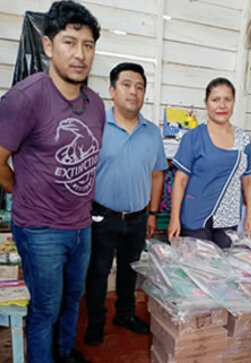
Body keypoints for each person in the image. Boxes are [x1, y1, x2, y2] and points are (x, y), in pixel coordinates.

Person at [0, 2, 103, 362]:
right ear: (48, 46)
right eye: (69, 42)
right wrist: (22, 190)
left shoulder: (96, 104)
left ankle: (65, 351)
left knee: (73, 298)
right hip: (40, 229)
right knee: (45, 309)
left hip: (81, 225)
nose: (79, 54)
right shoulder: (24, 99)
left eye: (87, 45)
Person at [84, 63, 166, 346]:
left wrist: (153, 213)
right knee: (97, 272)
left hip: (138, 217)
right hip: (101, 216)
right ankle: (96, 322)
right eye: (127, 84)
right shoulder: (96, 127)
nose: (134, 91)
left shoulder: (152, 132)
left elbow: (157, 174)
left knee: (131, 269)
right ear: (112, 90)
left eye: (140, 87)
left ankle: (125, 314)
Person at [168, 78, 251, 248]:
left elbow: (249, 180)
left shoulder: (244, 139)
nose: (222, 105)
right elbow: (180, 181)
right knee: (199, 269)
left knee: (223, 268)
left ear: (233, 102)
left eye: (227, 99)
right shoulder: (193, 137)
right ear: (206, 103)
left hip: (228, 219)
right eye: (215, 100)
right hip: (196, 217)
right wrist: (174, 218)